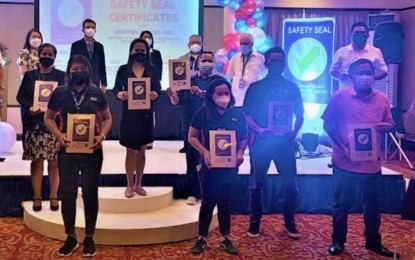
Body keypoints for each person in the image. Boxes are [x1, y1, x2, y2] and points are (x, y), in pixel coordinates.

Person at [322, 59, 399, 258]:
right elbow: (327, 125)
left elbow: (390, 124)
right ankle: (338, 241)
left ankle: (373, 242)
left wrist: (387, 127)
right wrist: (342, 146)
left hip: (371, 164)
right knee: (341, 204)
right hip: (345, 161)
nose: (365, 77)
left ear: (374, 75)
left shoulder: (382, 99)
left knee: (373, 205)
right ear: (351, 76)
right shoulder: (339, 97)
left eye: (369, 73)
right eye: (361, 73)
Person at [44, 55, 112, 257]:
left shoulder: (96, 93)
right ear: (69, 70)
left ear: (89, 71)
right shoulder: (60, 92)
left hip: (93, 151)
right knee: (68, 194)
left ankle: (89, 236)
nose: (78, 71)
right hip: (67, 152)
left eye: (82, 68)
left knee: (90, 194)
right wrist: (59, 135)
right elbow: (48, 118)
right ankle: (71, 236)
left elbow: (107, 118)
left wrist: (102, 135)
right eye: (75, 68)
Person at [243, 47, 304, 239]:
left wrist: (294, 132)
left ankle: (289, 221)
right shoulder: (256, 87)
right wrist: (259, 129)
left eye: (280, 61)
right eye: (273, 61)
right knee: (256, 184)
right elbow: (245, 114)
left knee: (290, 185)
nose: (277, 65)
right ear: (267, 64)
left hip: (284, 143)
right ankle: (255, 222)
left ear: (284, 64)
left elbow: (300, 115)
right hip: (261, 142)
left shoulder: (292, 88)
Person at [188, 77, 247, 255]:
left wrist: (239, 153)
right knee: (207, 202)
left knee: (225, 202)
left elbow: (243, 138)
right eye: (220, 93)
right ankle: (202, 238)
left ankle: (225, 238)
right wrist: (204, 152)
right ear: (212, 96)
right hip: (209, 166)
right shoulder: (202, 113)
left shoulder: (237, 114)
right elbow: (191, 137)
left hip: (230, 167)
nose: (224, 97)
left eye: (226, 93)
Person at [167, 51, 221, 205]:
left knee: (212, 161)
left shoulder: (218, 81)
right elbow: (178, 102)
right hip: (190, 127)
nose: (207, 63)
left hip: (212, 127)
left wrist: (203, 93)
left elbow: (223, 100)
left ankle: (211, 193)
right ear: (197, 63)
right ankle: (193, 193)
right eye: (204, 60)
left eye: (210, 60)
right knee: (191, 161)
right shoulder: (188, 79)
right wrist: (172, 95)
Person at [16, 43, 65, 212]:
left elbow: (66, 98)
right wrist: (29, 106)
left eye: (51, 54)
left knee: (54, 162)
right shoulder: (30, 76)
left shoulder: (61, 76)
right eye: (44, 53)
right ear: (39, 55)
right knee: (36, 162)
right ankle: (37, 196)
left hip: (53, 125)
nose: (47, 56)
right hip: (35, 124)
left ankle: (53, 196)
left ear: (55, 56)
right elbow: (20, 96)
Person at [113, 38, 161, 198]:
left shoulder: (152, 70)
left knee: (142, 151)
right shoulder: (123, 69)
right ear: (131, 51)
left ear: (147, 52)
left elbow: (158, 89)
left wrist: (155, 94)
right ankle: (129, 185)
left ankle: (139, 183)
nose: (139, 53)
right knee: (130, 151)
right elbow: (115, 90)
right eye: (137, 50)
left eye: (143, 50)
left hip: (146, 115)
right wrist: (120, 94)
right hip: (129, 115)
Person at [330, 21, 387, 90]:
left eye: (362, 33)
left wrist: (371, 78)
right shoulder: (341, 51)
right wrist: (341, 76)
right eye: (356, 33)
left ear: (368, 36)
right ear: (351, 35)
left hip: (368, 93)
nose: (359, 35)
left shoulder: (376, 51)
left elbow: (384, 70)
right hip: (346, 92)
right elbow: (333, 70)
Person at [17, 28, 43, 147]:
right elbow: (23, 71)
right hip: (28, 88)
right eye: (33, 36)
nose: (36, 39)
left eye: (38, 37)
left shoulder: (43, 53)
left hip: (42, 89)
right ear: (28, 39)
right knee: (27, 116)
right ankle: (27, 145)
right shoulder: (24, 53)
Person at [226, 33, 267, 108]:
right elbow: (230, 77)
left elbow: (265, 77)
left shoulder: (260, 58)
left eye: (245, 43)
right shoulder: (234, 58)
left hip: (254, 99)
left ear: (251, 44)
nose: (243, 45)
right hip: (236, 100)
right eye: (241, 43)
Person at [140, 30, 163, 150]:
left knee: (151, 114)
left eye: (149, 37)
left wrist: (155, 86)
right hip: (138, 87)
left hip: (152, 87)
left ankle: (149, 139)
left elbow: (159, 71)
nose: (147, 39)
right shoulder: (137, 53)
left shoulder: (156, 53)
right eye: (144, 37)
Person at [70, 18, 107, 92]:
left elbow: (102, 66)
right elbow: (71, 64)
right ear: (83, 30)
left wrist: (104, 84)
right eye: (87, 27)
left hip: (95, 81)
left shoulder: (99, 46)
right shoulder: (76, 45)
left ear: (95, 30)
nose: (90, 29)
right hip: (79, 81)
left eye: (93, 27)